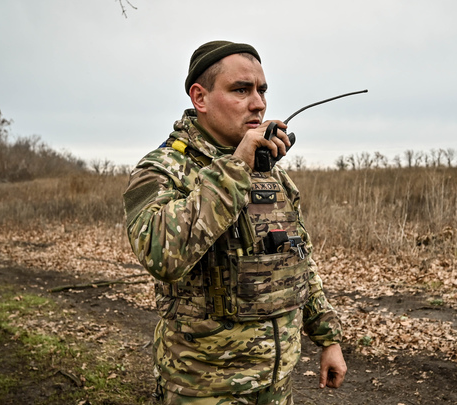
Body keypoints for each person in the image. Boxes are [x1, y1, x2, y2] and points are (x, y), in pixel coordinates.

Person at [123, 40, 346, 404]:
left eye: (262, 90)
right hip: (204, 388)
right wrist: (237, 166)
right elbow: (162, 255)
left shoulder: (270, 172)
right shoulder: (163, 170)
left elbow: (298, 260)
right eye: (241, 90)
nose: (258, 103)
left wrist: (328, 338)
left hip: (276, 386)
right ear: (201, 98)